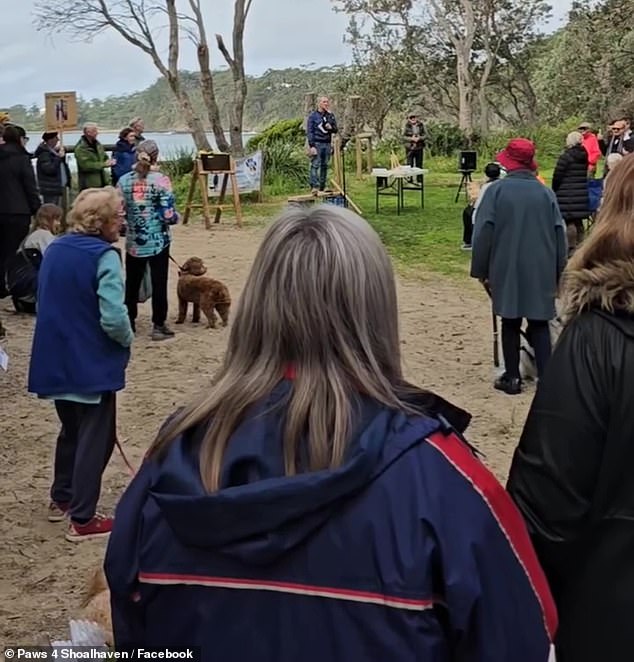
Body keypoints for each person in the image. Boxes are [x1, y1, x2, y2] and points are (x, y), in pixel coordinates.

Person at [104, 205, 557, 660]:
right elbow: (522, 636)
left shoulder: (172, 453)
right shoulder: (442, 476)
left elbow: (130, 615)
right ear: (378, 310)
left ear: (256, 305)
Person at [507, 154, 634, 662]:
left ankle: (513, 370)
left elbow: (544, 508)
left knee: (512, 327)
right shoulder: (541, 193)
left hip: (612, 619)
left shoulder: (598, 341)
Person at [28, 187, 133, 542]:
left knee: (71, 429)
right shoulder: (104, 256)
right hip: (90, 360)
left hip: (55, 355)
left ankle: (62, 498)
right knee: (96, 437)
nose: (122, 221)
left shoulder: (55, 248)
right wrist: (127, 340)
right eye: (118, 215)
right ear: (101, 221)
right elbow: (114, 317)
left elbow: (44, 301)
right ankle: (83, 517)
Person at [471, 138, 568, 395]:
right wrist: (559, 272)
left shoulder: (495, 192)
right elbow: (560, 235)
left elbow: (483, 233)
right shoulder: (545, 193)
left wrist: (480, 270)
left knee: (510, 322)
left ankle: (512, 377)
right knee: (539, 323)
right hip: (541, 269)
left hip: (507, 266)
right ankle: (546, 381)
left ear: (509, 163)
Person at [117, 139, 177, 341]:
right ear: (156, 157)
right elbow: (168, 214)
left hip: (134, 241)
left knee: (132, 282)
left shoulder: (124, 180)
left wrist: (127, 225)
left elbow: (120, 211)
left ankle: (130, 322)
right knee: (159, 282)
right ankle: (158, 325)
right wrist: (172, 218)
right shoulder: (161, 180)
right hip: (158, 239)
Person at [0, 125, 41, 299]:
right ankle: (10, 283)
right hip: (18, 210)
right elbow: (30, 186)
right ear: (20, 139)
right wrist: (36, 209)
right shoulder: (22, 159)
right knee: (12, 250)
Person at [6, 203, 62, 314]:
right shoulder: (44, 236)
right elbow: (54, 260)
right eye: (57, 220)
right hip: (32, 290)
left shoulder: (32, 235)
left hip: (21, 292)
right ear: (48, 220)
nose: (59, 224)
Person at [552, 131, 590, 255]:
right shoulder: (584, 155)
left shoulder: (566, 156)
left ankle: (571, 247)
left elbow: (558, 174)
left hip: (566, 192)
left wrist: (555, 188)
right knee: (578, 221)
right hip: (581, 190)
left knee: (570, 221)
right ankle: (582, 244)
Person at [461, 162, 501, 250]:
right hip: (499, 213)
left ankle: (469, 241)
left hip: (487, 216)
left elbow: (478, 205)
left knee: (467, 212)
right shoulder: (502, 184)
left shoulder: (486, 187)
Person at [306, 96, 338, 195]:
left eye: (327, 102)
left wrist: (330, 127)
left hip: (327, 143)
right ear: (319, 103)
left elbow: (335, 129)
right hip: (317, 143)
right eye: (324, 102)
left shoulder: (330, 116)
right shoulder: (313, 116)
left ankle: (322, 187)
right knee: (315, 165)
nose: (326, 104)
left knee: (325, 165)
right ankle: (314, 186)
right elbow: (310, 131)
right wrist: (312, 146)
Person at [35, 131, 71, 207]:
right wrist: (58, 158)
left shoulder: (53, 152)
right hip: (50, 188)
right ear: (50, 139)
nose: (58, 140)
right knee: (50, 210)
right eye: (56, 138)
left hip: (56, 187)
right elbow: (49, 169)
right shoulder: (44, 154)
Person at [74, 123, 114, 190]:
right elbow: (86, 165)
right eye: (95, 131)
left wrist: (110, 161)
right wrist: (103, 164)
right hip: (89, 184)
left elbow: (104, 156)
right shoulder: (81, 148)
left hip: (103, 181)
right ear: (88, 132)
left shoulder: (98, 144)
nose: (97, 133)